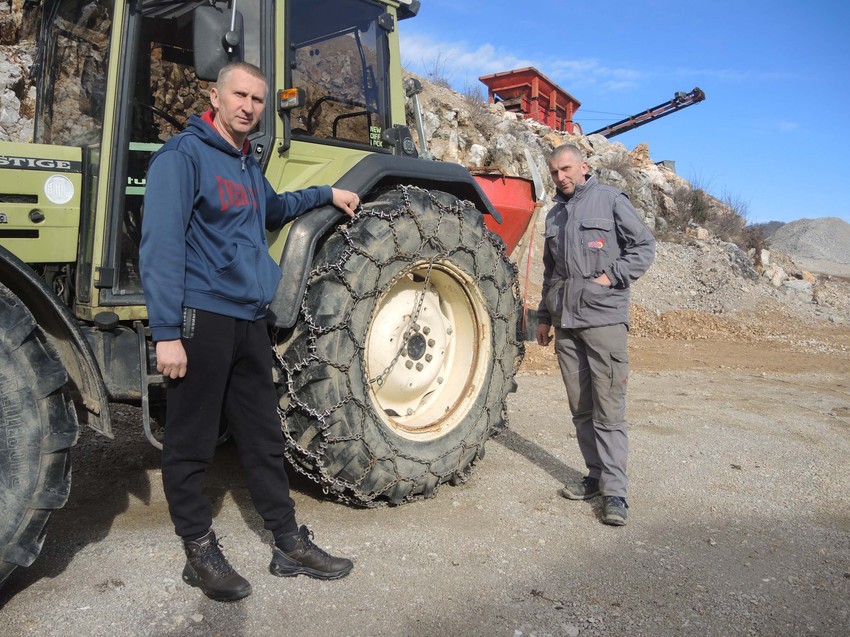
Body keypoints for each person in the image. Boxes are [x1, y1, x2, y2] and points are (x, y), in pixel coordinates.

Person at [139, 61, 360, 602]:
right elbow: (160, 247)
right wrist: (167, 332)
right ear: (215, 95)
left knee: (262, 438)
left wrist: (326, 193)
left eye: (258, 100)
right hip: (201, 319)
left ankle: (288, 543)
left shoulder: (244, 164)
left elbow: (275, 208)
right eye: (240, 95)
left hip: (248, 320)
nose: (248, 107)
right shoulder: (183, 157)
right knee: (191, 442)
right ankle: (198, 550)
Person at [535, 144, 655, 526]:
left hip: (603, 320)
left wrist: (609, 278)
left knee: (609, 409)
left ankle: (615, 493)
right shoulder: (555, 214)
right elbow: (550, 271)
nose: (561, 177)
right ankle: (595, 476)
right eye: (554, 172)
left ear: (583, 167)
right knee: (581, 407)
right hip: (566, 323)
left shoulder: (610, 200)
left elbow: (644, 247)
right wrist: (543, 317)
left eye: (566, 169)